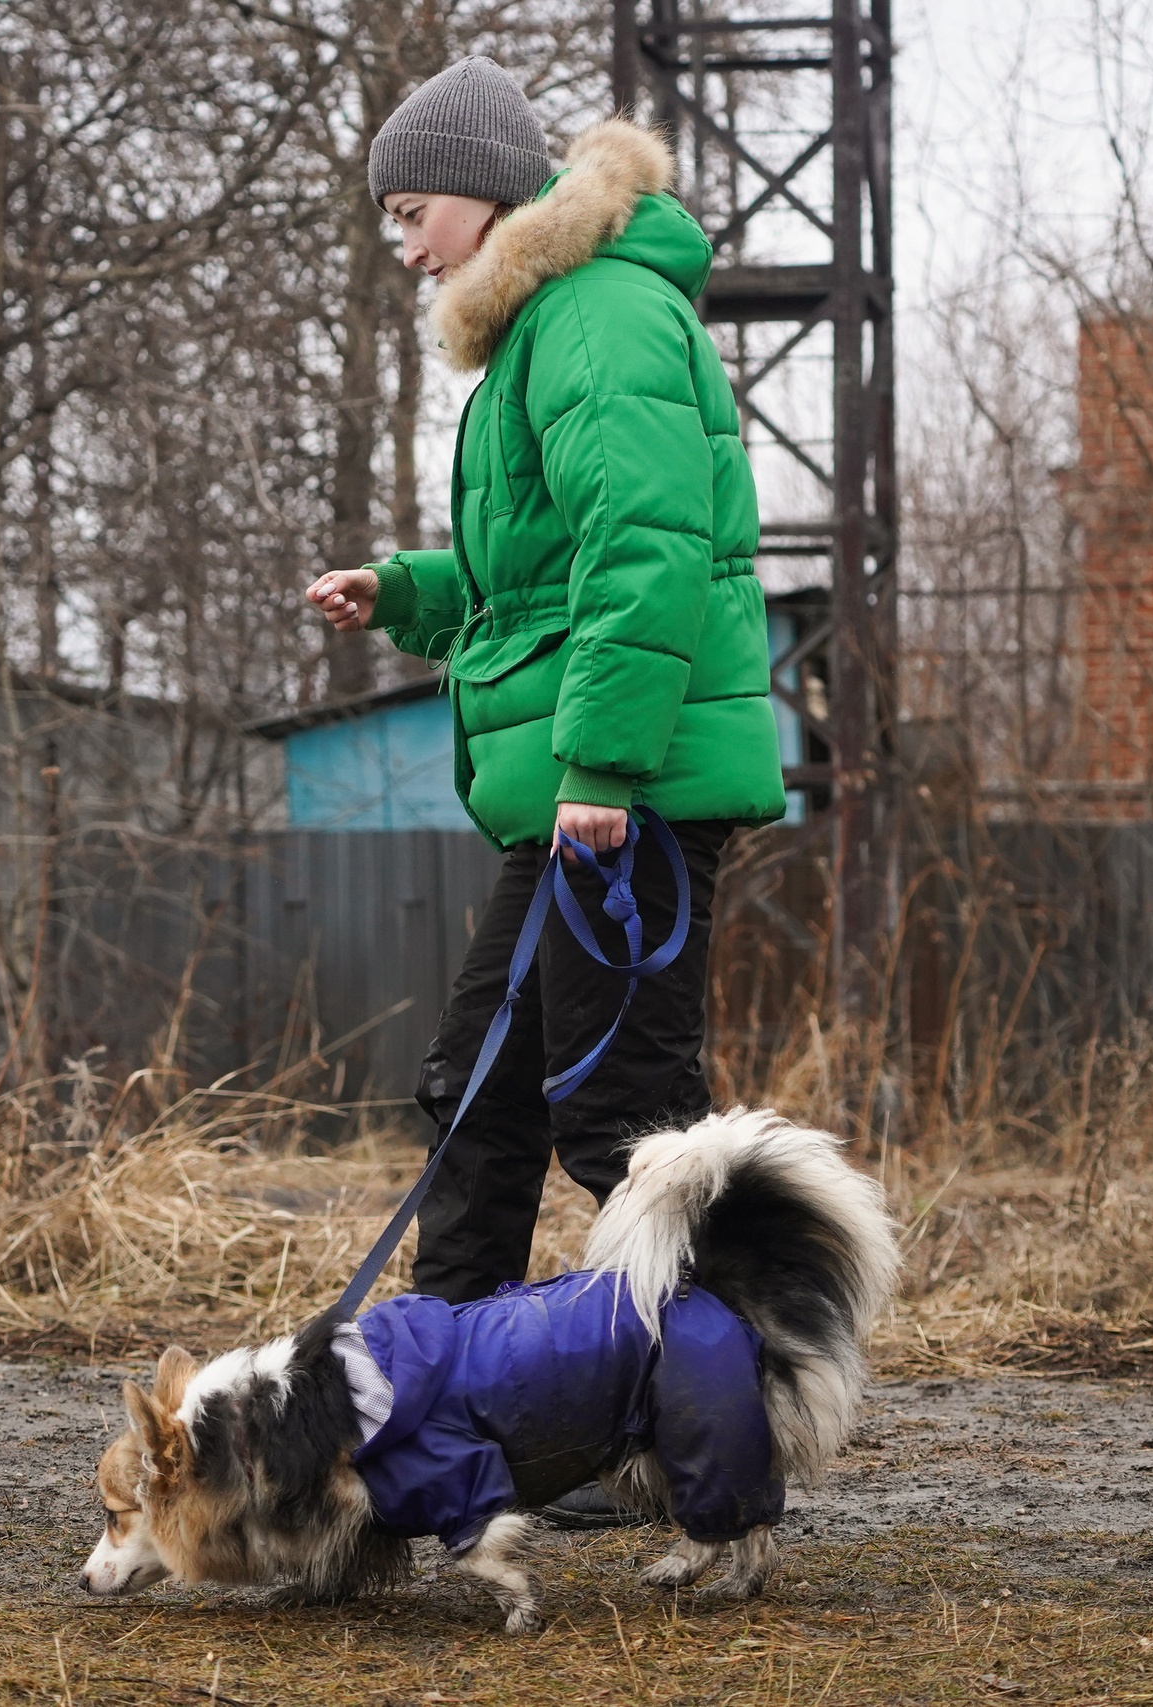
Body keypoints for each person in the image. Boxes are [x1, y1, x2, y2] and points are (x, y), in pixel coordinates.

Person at [306, 60, 786, 1329]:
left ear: (477, 192)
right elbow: (548, 577)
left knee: (622, 1121)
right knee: (481, 1095)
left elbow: (645, 547)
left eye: (411, 213)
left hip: (625, 791)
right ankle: (441, 1416)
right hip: (585, 793)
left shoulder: (593, 315)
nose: (404, 246)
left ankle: (721, 1413)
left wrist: (602, 769)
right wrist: (407, 590)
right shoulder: (544, 327)